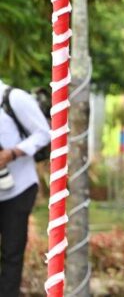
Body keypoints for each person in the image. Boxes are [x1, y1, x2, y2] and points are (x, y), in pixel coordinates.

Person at [0, 80, 50, 296]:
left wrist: (12, 153)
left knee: (12, 251)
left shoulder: (13, 98)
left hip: (18, 188)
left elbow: (44, 133)